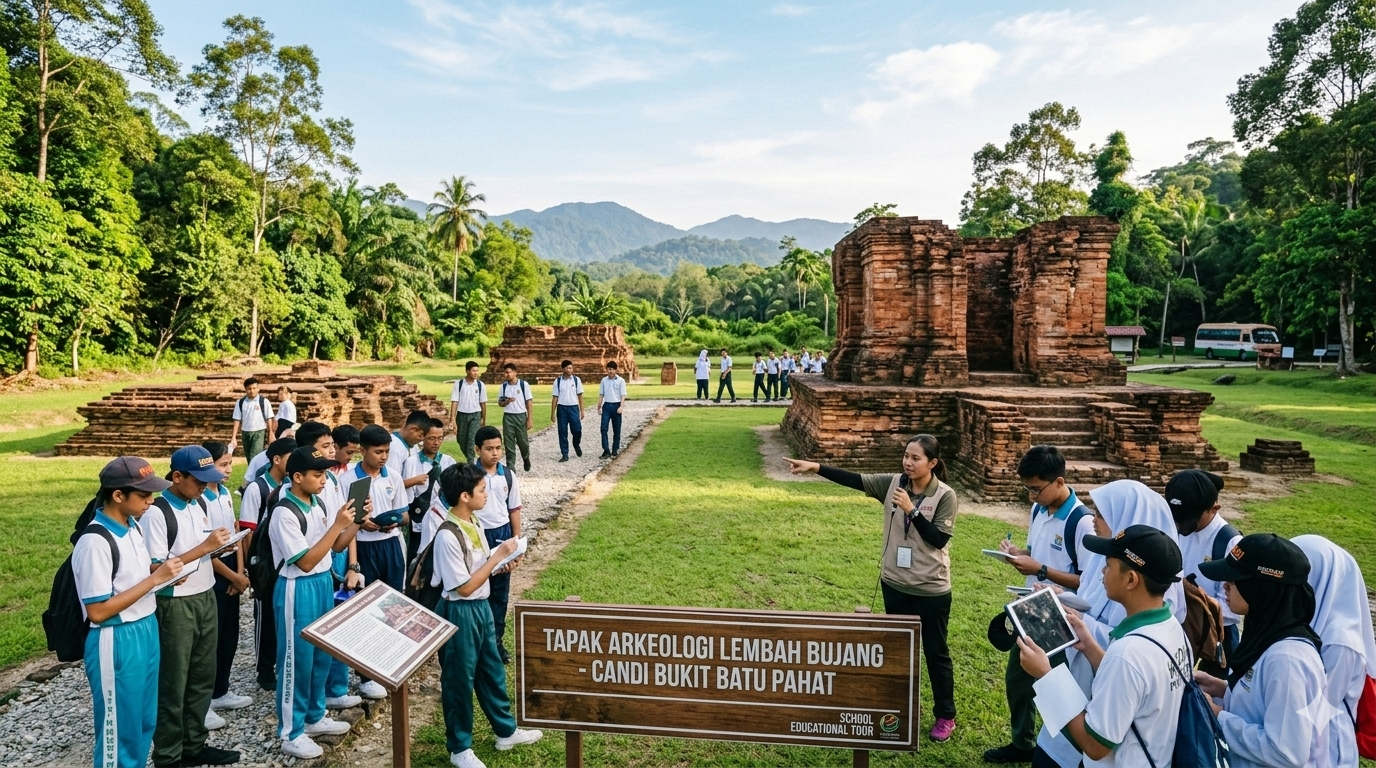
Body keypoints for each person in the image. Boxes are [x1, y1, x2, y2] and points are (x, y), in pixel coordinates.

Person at [783, 435, 959, 742]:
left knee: (935, 653)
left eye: (916, 458)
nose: (908, 462)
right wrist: (815, 467)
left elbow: (938, 539)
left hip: (930, 589)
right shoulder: (893, 483)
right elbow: (856, 480)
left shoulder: (944, 495)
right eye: (906, 456)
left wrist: (911, 510)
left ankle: (945, 716)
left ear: (932, 463)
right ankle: (900, 708)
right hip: (894, 584)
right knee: (898, 653)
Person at [1033, 479, 1189, 768]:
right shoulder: (1172, 631)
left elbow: (1096, 745)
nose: (1102, 569)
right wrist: (1089, 641)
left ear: (1131, 579)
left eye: (1109, 565)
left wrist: (1046, 676)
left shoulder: (1128, 653)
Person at [985, 445, 1094, 765]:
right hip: (1032, 608)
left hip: (1063, 618)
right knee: (1017, 681)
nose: (1031, 496)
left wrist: (1041, 570)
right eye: (1027, 489)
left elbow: (1089, 583)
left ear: (1059, 482)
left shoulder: (1081, 522)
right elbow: (1037, 553)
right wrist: (1019, 555)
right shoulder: (1038, 510)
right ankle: (1022, 742)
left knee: (1055, 688)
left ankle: (1063, 752)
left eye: (1036, 489)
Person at [430, 464, 542, 768]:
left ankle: (505, 730)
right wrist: (497, 556)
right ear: (464, 496)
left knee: (491, 669)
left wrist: (498, 564)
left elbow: (477, 571)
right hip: (460, 612)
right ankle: (459, 747)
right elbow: (463, 587)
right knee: (459, 680)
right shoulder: (447, 536)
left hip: (481, 607)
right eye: (482, 490)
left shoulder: (473, 521)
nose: (487, 494)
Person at [75, 458, 183, 768]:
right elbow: (96, 610)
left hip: (144, 626)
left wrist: (160, 572)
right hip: (116, 637)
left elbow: (131, 578)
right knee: (117, 729)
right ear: (118, 495)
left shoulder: (132, 526)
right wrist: (155, 579)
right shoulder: (95, 542)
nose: (152, 501)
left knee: (142, 720)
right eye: (144, 495)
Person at [1194, 533, 1332, 768]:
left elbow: (1287, 752)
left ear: (1261, 587)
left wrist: (1218, 716)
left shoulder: (1287, 660)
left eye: (1235, 579)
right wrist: (1222, 688)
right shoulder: (1266, 636)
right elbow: (1264, 704)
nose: (1225, 586)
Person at [143, 446, 237, 768]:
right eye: (198, 480)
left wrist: (221, 544)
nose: (203, 486)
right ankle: (169, 756)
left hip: (205, 594)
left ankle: (194, 745)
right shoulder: (157, 513)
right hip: (175, 605)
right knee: (173, 682)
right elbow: (157, 569)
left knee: (202, 677)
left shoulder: (197, 504)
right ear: (177, 476)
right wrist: (206, 547)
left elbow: (203, 550)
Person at [270, 447, 365, 759]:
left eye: (325, 474)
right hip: (298, 587)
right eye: (317, 474)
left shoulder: (318, 503)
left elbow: (335, 545)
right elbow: (306, 561)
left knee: (321, 654)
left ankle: (314, 715)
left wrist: (356, 522)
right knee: (296, 661)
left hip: (323, 582)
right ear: (297, 477)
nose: (324, 480)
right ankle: (290, 732)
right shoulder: (285, 513)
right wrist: (338, 525)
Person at [294, 422, 365, 710]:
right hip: (308, 575)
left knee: (336, 631)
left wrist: (353, 564)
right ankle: (305, 712)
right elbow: (310, 552)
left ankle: (330, 692)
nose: (333, 451)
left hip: (330, 562)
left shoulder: (332, 480)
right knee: (306, 648)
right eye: (326, 447)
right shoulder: (292, 505)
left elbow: (339, 533)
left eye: (332, 446)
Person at [1294, 534, 1372, 768]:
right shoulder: (1312, 621)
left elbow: (1318, 709)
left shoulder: (1339, 642)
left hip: (1328, 753)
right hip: (1302, 743)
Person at [350, 424, 409, 700]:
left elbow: (405, 514)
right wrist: (364, 524)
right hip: (364, 547)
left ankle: (391, 661)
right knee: (366, 606)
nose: (383, 457)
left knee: (394, 604)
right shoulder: (350, 479)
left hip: (391, 544)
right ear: (362, 451)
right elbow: (348, 519)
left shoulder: (393, 477)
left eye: (386, 451)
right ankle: (366, 675)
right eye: (378, 452)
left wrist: (391, 521)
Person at [1165, 468, 1243, 674]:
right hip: (1176, 628)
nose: (1180, 524)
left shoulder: (1229, 542)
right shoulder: (1178, 529)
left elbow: (1232, 608)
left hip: (1217, 637)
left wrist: (1194, 604)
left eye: (1188, 518)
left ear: (1214, 508)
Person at [200, 442, 254, 718]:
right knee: (211, 635)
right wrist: (232, 574)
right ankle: (204, 698)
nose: (228, 470)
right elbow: (204, 549)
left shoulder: (222, 493)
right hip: (213, 569)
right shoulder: (200, 500)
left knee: (229, 634)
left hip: (232, 565)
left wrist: (241, 573)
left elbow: (236, 534)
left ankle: (221, 689)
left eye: (230, 464)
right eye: (223, 465)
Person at [240, 437, 295, 691]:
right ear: (276, 460)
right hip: (264, 561)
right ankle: (264, 669)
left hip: (283, 560)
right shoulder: (257, 488)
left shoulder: (287, 485)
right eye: (289, 458)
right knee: (264, 618)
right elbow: (248, 531)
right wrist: (252, 568)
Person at [472, 426, 524, 665]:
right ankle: (477, 642)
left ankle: (496, 642)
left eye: (498, 448)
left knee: (500, 592)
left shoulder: (508, 475)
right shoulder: (470, 476)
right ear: (477, 449)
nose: (495, 453)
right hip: (478, 534)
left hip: (502, 533)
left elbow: (514, 509)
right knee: (477, 589)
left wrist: (516, 541)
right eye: (489, 449)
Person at [404, 418, 456, 564]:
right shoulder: (411, 462)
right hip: (419, 520)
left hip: (443, 519)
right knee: (418, 559)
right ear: (422, 438)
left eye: (440, 439)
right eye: (432, 438)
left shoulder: (448, 461)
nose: (436, 443)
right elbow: (408, 496)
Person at [497, 364, 534, 472]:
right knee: (509, 443)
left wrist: (529, 419)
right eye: (505, 372)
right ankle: (511, 466)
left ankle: (526, 458)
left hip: (520, 415)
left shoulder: (523, 385)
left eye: (509, 372)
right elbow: (500, 403)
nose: (507, 374)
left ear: (515, 372)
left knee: (523, 442)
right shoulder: (504, 386)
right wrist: (507, 401)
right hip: (508, 416)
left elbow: (529, 402)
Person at [450, 362, 488, 463]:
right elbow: (454, 401)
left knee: (471, 442)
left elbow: (483, 403)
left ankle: (471, 466)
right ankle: (473, 461)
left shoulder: (480, 385)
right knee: (461, 441)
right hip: (462, 415)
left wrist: (483, 418)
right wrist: (452, 419)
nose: (476, 373)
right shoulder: (459, 384)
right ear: (467, 371)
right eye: (473, 371)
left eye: (477, 371)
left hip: (475, 415)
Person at [230, 377, 275, 461]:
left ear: (258, 388)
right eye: (249, 389)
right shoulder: (240, 402)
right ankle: (254, 473)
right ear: (245, 389)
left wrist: (270, 434)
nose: (252, 391)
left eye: (254, 388)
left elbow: (269, 419)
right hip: (245, 432)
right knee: (249, 458)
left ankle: (254, 473)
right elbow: (237, 420)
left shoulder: (264, 401)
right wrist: (233, 437)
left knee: (254, 457)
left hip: (259, 432)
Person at [551, 360, 584, 462]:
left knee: (577, 430)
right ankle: (565, 453)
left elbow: (580, 396)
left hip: (573, 407)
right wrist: (552, 413)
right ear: (563, 369)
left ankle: (576, 444)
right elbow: (555, 397)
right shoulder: (558, 381)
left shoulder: (576, 380)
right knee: (562, 432)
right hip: (562, 409)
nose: (570, 370)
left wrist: (582, 410)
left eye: (571, 368)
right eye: (568, 368)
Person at [598, 361, 627, 459]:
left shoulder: (620, 381)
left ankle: (615, 449)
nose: (610, 371)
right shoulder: (604, 380)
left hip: (616, 405)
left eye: (612, 369)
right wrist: (599, 406)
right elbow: (601, 394)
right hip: (606, 406)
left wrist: (621, 406)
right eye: (608, 369)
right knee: (603, 428)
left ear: (615, 370)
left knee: (616, 430)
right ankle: (606, 450)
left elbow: (623, 395)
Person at [389, 409, 429, 476]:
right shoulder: (395, 449)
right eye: (421, 435)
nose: (422, 439)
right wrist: (416, 481)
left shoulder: (413, 446)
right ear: (413, 430)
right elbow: (392, 482)